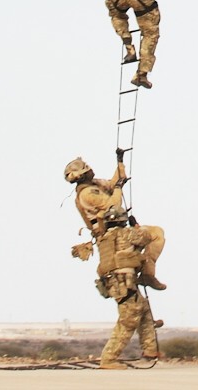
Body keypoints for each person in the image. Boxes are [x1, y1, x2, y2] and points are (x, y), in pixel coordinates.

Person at [64, 156, 166, 289]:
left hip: (118, 229)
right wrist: (118, 188)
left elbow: (114, 183)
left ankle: (146, 273)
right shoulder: (87, 194)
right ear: (82, 175)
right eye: (86, 169)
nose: (90, 169)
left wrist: (120, 162)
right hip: (112, 233)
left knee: (156, 233)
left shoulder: (94, 185)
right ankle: (147, 274)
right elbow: (113, 204)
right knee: (156, 234)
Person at [89, 224, 162, 369]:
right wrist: (136, 226)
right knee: (129, 320)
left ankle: (150, 350)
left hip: (116, 283)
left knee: (143, 308)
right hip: (124, 282)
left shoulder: (104, 238)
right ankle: (109, 359)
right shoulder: (125, 233)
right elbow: (147, 237)